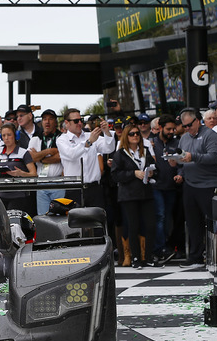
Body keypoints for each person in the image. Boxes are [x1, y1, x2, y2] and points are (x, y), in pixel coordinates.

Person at [171, 108, 217, 268]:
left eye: (188, 125)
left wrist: (194, 156)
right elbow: (182, 160)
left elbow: (214, 157)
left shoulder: (210, 135)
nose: (186, 129)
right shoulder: (184, 138)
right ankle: (195, 255)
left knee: (213, 221)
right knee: (192, 222)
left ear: (197, 121)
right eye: (184, 126)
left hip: (208, 184)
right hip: (190, 184)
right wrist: (175, 163)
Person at [110, 125, 158, 268]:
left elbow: (155, 166)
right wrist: (133, 173)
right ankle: (136, 258)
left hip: (146, 193)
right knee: (133, 226)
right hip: (129, 195)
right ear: (126, 136)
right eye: (132, 134)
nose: (135, 136)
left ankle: (148, 256)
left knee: (150, 225)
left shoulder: (146, 151)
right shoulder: (120, 154)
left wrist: (151, 172)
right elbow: (115, 175)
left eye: (137, 133)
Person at [57, 108, 115, 208]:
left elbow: (109, 148)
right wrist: (88, 142)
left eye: (81, 120)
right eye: (76, 121)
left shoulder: (91, 135)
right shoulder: (62, 139)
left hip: (94, 188)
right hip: (74, 189)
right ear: (67, 123)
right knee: (76, 222)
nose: (80, 123)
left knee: (97, 221)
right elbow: (71, 155)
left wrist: (107, 132)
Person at [149, 114, 182, 262]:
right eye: (168, 129)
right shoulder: (151, 143)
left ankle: (168, 246)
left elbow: (182, 163)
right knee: (160, 216)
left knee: (168, 218)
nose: (171, 132)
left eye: (173, 129)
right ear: (160, 128)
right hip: (156, 186)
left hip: (171, 187)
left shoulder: (176, 143)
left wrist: (179, 172)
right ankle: (159, 248)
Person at [0, 122, 37, 212]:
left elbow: (34, 174)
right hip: (1, 195)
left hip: (18, 196)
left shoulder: (23, 152)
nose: (6, 138)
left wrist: (21, 174)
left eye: (9, 135)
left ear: (15, 136)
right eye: (3, 135)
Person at [28, 109, 65, 215]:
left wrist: (40, 157)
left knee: (60, 217)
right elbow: (31, 158)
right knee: (43, 217)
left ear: (56, 122)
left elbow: (60, 156)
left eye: (50, 119)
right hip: (42, 183)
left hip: (58, 181)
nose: (47, 122)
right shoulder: (35, 138)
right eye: (44, 119)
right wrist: (49, 151)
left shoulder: (61, 137)